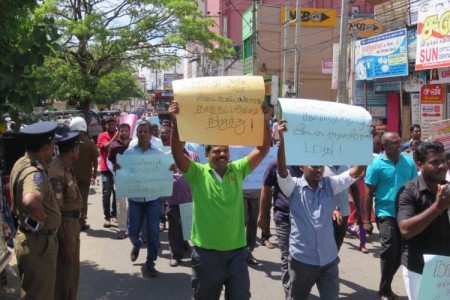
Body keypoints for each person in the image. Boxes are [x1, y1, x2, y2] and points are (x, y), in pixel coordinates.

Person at [169, 100, 271, 300]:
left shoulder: (238, 169)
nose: (222, 154)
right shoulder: (197, 173)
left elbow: (263, 149)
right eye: (216, 151)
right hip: (207, 256)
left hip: (236, 255)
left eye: (225, 150)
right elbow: (177, 153)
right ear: (206, 154)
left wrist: (264, 121)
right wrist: (175, 123)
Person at [275, 119, 366, 300]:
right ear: (301, 167)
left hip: (328, 260)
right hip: (302, 261)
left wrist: (364, 141)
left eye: (320, 166)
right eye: (314, 165)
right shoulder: (293, 187)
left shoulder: (330, 184)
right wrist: (283, 140)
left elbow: (356, 171)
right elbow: (282, 170)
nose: (318, 169)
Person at [10, 121, 61, 299]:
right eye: (53, 144)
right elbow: (30, 201)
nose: (55, 147)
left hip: (30, 239)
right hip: (39, 243)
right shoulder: (34, 173)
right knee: (41, 295)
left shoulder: (21, 162)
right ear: (45, 147)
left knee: (33, 292)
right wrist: (43, 219)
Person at [364, 132, 418, 300]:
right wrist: (366, 219)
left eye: (398, 142)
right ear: (384, 145)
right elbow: (368, 193)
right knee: (389, 249)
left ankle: (384, 286)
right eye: (394, 143)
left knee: (401, 252)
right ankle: (385, 288)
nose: (398, 145)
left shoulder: (408, 163)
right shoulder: (375, 164)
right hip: (385, 213)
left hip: (406, 214)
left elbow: (415, 188)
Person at [396, 141, 450, 300]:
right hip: (419, 269)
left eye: (443, 160)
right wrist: (437, 208)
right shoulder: (408, 192)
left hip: (445, 266)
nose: (442, 166)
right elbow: (405, 230)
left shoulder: (448, 188)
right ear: (419, 165)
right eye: (435, 162)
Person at [122, 120, 165, 277]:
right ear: (137, 133)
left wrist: (170, 168)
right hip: (135, 199)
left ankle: (150, 263)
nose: (142, 134)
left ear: (150, 134)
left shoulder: (158, 153)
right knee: (132, 230)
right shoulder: (129, 153)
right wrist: (120, 169)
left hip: (153, 199)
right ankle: (137, 244)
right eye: (140, 131)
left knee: (153, 232)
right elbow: (123, 173)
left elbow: (164, 171)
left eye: (145, 131)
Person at [258, 160, 302, 299]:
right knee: (287, 258)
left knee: (301, 259)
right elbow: (266, 189)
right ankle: (290, 295)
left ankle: (299, 289)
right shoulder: (275, 165)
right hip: (283, 217)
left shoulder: (310, 164)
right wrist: (263, 215)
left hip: (305, 219)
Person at [48, 130, 82, 300]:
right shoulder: (57, 172)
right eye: (78, 147)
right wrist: (64, 244)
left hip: (73, 225)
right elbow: (56, 212)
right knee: (64, 275)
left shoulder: (66, 167)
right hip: (65, 227)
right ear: (73, 149)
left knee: (72, 273)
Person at [163, 143, 199, 267]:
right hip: (172, 198)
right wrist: (167, 170)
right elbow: (159, 178)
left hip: (189, 198)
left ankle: (187, 246)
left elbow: (198, 174)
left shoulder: (193, 155)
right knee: (174, 227)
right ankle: (175, 255)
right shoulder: (166, 157)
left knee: (189, 226)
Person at [70, 116, 99, 231]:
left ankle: (73, 221)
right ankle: (82, 221)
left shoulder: (70, 143)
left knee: (71, 199)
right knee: (83, 199)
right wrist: (94, 172)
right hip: (85, 176)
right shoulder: (90, 143)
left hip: (71, 176)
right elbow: (95, 160)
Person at [324, 166, 361, 251]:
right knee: (325, 245)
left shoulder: (347, 167)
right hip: (325, 214)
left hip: (344, 213)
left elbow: (354, 187)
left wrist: (359, 209)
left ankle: (332, 261)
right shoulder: (322, 167)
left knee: (338, 242)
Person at [108, 123, 132, 239]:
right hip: (120, 177)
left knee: (133, 203)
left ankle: (133, 227)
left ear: (129, 132)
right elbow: (110, 160)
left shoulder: (134, 144)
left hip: (134, 178)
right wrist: (115, 166)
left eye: (126, 131)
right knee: (121, 203)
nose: (123, 133)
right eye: (121, 131)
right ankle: (122, 228)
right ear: (119, 132)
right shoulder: (113, 145)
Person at [97, 116, 118, 228]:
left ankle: (114, 214)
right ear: (105, 126)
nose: (111, 126)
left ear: (116, 124)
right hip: (106, 170)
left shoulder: (121, 135)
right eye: (108, 124)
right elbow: (106, 146)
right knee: (106, 193)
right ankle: (107, 217)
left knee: (116, 193)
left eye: (113, 124)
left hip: (117, 169)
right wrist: (115, 137)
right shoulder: (102, 136)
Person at [243, 188, 261, 265]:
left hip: (257, 193)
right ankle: (236, 251)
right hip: (242, 192)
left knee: (254, 222)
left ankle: (248, 252)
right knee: (243, 220)